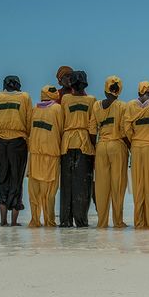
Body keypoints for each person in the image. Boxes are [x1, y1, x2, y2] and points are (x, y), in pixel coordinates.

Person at [123, 81, 149, 229]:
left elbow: (127, 128)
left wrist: (134, 140)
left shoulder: (130, 105)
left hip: (136, 147)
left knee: (138, 186)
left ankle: (138, 223)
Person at [90, 76, 129, 228]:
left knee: (101, 187)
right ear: (119, 89)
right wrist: (131, 147)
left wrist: (95, 147)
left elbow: (92, 130)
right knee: (118, 186)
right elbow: (124, 131)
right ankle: (118, 221)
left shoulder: (96, 106)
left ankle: (102, 222)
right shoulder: (122, 106)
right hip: (117, 145)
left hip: (101, 147)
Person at [59, 71, 96, 227]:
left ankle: (65, 220)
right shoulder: (92, 100)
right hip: (84, 144)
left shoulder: (66, 99)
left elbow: (61, 122)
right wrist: (94, 145)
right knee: (83, 183)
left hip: (67, 143)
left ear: (71, 85)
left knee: (67, 184)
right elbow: (93, 127)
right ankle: (81, 221)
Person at [0, 76, 32, 226]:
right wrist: (28, 140)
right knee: (17, 180)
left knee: (3, 178)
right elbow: (28, 119)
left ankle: (3, 220)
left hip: (1, 141)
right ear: (18, 85)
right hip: (18, 141)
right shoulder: (25, 97)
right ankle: (14, 221)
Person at [27, 86, 63, 227]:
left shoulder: (34, 109)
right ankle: (49, 221)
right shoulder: (57, 109)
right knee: (49, 191)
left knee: (34, 191)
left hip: (35, 155)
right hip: (51, 155)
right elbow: (61, 129)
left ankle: (35, 220)